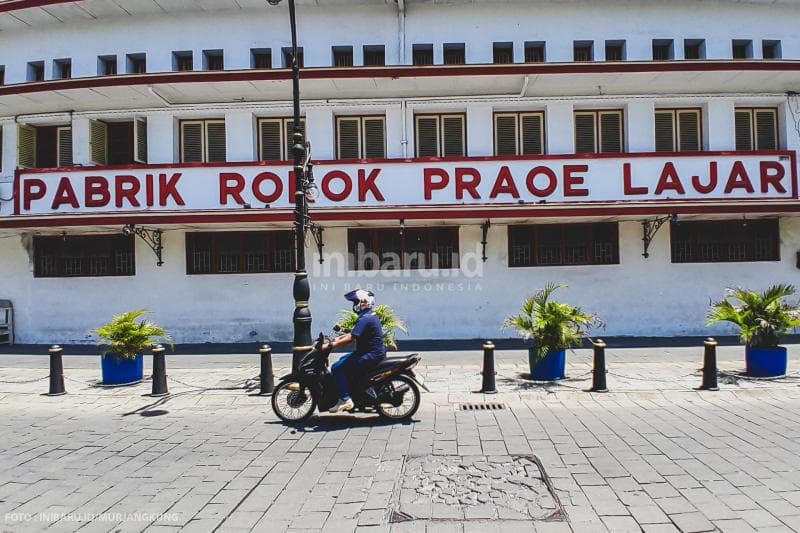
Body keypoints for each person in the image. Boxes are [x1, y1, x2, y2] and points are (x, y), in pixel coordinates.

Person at [326, 289, 386, 412]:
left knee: (337, 368)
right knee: (343, 360)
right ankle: (351, 390)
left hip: (370, 354)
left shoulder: (365, 318)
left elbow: (351, 338)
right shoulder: (369, 315)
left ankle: (345, 399)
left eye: (355, 302)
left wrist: (331, 346)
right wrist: (336, 338)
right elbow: (354, 333)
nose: (354, 305)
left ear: (363, 302)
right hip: (372, 352)